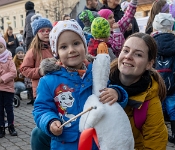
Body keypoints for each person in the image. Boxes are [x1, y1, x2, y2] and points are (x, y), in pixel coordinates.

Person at [32, 19, 128, 150]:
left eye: (76, 43)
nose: (71, 50)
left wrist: (117, 93)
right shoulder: (48, 81)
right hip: (66, 144)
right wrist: (50, 121)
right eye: (64, 47)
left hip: (96, 141)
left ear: (85, 46)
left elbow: (107, 92)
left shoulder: (95, 72)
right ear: (57, 53)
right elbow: (41, 109)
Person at [109, 32, 168, 149]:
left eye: (138, 55)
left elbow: (155, 144)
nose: (128, 56)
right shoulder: (99, 79)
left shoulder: (150, 102)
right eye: (125, 50)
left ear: (149, 64)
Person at [152, 13, 175, 146]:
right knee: (172, 108)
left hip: (156, 81)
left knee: (158, 107)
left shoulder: (151, 41)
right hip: (172, 82)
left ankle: (159, 134)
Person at [20, 14, 53, 105]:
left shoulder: (56, 48)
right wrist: (40, 71)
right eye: (42, 30)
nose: (46, 32)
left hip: (56, 87)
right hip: (41, 89)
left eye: (48, 30)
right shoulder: (33, 51)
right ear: (36, 33)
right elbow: (24, 69)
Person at [0, 37, 17, 138]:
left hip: (8, 89)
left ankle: (11, 125)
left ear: (4, 47)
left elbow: (13, 72)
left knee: (9, 109)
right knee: (0, 109)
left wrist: (2, 79)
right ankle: (1, 126)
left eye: (1, 47)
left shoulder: (9, 59)